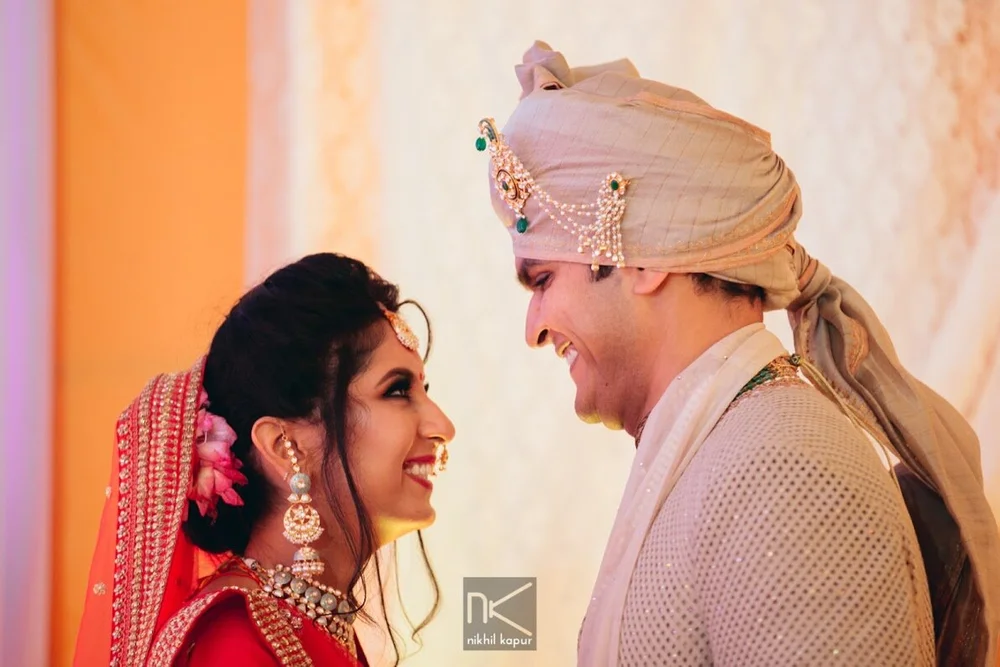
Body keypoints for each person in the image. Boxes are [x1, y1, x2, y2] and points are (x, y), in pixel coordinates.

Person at [475, 41, 1000, 665]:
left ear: (642, 260)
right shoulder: (725, 449)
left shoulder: (786, 471)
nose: (533, 328)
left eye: (541, 281)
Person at [73, 253, 455, 666]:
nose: (443, 426)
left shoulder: (309, 627)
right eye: (397, 391)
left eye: (424, 390)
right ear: (284, 445)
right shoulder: (236, 644)